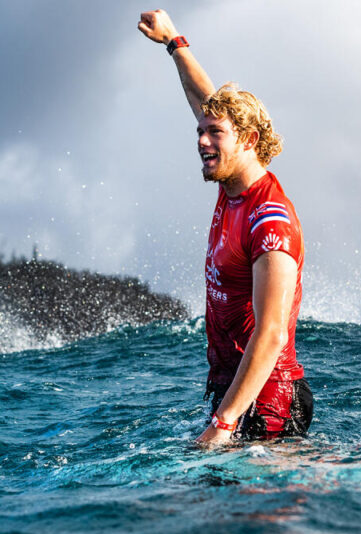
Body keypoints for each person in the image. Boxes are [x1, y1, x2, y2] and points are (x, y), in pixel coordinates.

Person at [138, 9, 312, 445]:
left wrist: (223, 424)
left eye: (213, 132)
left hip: (267, 404)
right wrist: (174, 41)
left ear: (249, 140)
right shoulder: (232, 186)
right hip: (232, 392)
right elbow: (205, 99)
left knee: (250, 510)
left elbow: (270, 334)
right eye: (199, 130)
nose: (201, 140)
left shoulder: (270, 220)